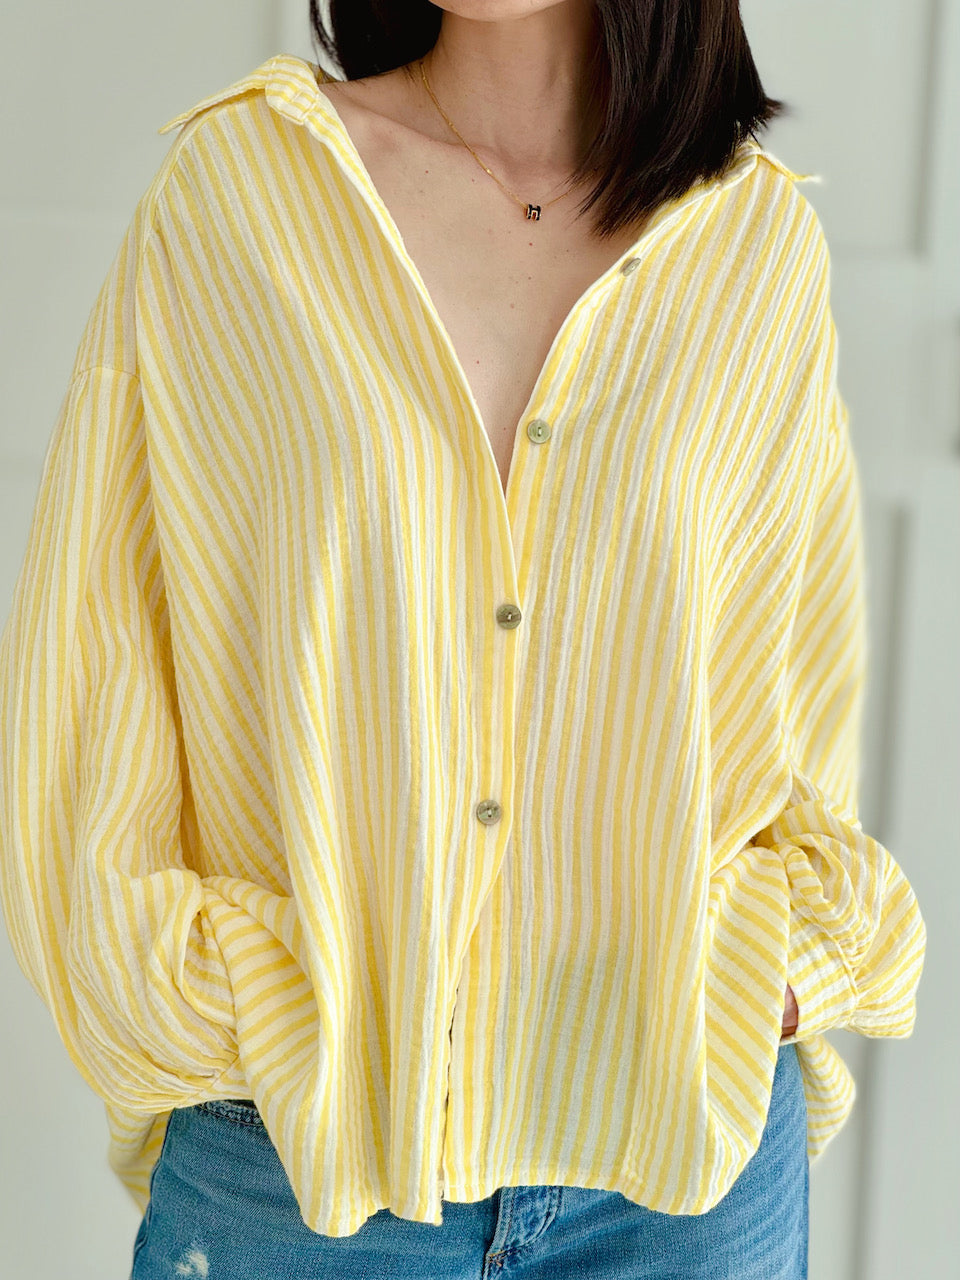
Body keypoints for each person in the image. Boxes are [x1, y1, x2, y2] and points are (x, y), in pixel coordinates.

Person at [0, 2, 926, 1278]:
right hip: (305, 1171)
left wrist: (783, 970)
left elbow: (793, 713)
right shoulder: (240, 194)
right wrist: (220, 1013)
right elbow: (94, 680)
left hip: (680, 1178)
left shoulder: (753, 245)